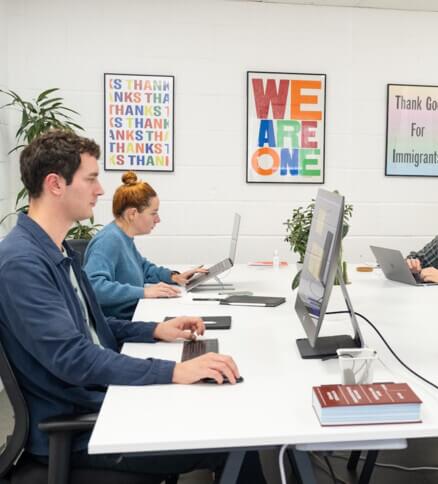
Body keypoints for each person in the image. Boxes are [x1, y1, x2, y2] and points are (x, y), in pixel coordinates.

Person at [0, 130, 264, 481]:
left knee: (226, 412)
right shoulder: (23, 262)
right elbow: (75, 358)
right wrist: (173, 372)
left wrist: (154, 329)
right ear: (55, 184)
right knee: (238, 438)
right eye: (91, 178)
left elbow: (95, 330)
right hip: (80, 430)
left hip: (100, 402)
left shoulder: (57, 250)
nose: (100, 191)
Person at [84, 171, 206, 320]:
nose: (158, 219)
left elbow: (143, 268)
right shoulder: (109, 240)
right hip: (120, 325)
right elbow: (94, 288)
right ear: (132, 214)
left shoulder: (123, 237)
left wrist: (174, 276)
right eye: (153, 213)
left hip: (136, 314)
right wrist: (144, 292)